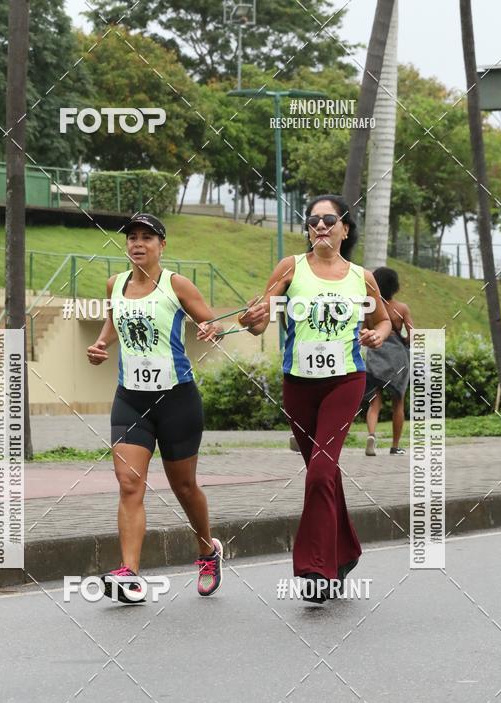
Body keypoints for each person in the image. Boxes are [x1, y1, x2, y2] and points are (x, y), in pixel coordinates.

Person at [235, 194, 391, 603]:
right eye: (313, 220)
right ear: (308, 230)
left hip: (345, 382)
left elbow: (384, 317)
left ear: (345, 229)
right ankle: (348, 551)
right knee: (325, 471)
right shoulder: (291, 267)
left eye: (329, 219)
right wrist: (250, 320)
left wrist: (379, 334)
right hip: (299, 384)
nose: (320, 225)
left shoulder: (362, 277)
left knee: (320, 472)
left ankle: (317, 569)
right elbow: (260, 315)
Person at [86, 213, 233, 603]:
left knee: (183, 486)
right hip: (130, 399)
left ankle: (207, 552)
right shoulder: (114, 284)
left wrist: (209, 328)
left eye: (146, 237)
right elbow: (114, 321)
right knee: (129, 482)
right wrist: (101, 346)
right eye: (132, 237)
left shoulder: (176, 284)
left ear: (161, 245)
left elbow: (211, 321)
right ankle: (130, 574)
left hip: (176, 398)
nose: (137, 243)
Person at [364, 266, 414, 456]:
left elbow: (362, 330)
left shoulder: (369, 308)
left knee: (374, 402)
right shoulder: (401, 308)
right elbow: (412, 335)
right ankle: (395, 445)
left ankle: (371, 435)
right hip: (397, 360)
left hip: (375, 356)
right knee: (398, 402)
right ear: (395, 286)